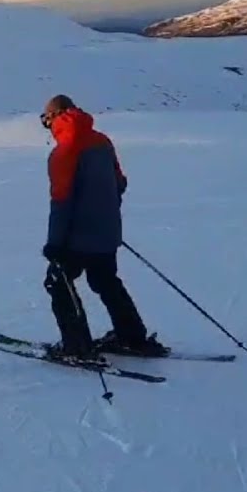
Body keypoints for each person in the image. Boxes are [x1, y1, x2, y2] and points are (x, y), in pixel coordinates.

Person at [39, 94, 168, 359]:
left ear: (56, 116)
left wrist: (54, 243)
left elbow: (61, 202)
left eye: (46, 119)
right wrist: (104, 218)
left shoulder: (63, 152)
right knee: (105, 279)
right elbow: (119, 184)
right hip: (107, 233)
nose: (47, 125)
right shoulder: (102, 142)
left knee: (59, 283)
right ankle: (132, 337)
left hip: (76, 238)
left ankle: (77, 348)